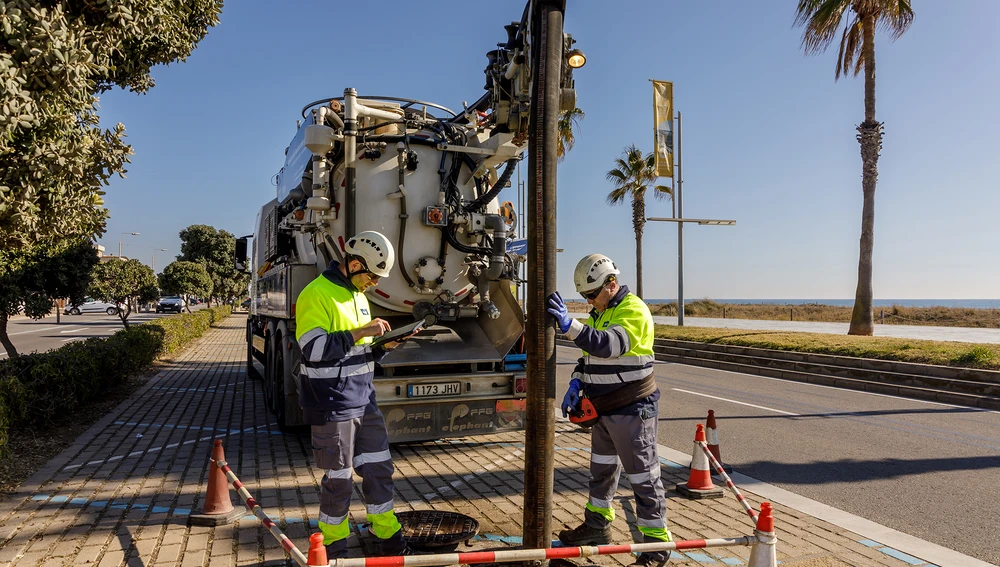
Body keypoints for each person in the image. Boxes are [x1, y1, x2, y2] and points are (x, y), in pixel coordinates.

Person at [547, 253, 672, 566]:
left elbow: (607, 345)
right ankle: (597, 526)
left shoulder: (633, 310)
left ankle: (656, 547)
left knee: (643, 476)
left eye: (592, 294)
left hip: (632, 409)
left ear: (611, 284)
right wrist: (577, 381)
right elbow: (589, 358)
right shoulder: (600, 312)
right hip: (604, 410)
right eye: (585, 296)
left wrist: (569, 325)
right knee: (601, 472)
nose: (589, 301)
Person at [295, 230, 411, 558]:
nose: (374, 283)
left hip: (364, 400)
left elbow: (358, 353)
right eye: (372, 276)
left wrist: (384, 346)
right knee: (339, 480)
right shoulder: (316, 293)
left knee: (379, 469)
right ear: (355, 264)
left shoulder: (358, 296)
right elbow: (314, 350)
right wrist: (361, 331)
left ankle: (387, 538)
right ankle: (333, 548)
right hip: (333, 403)